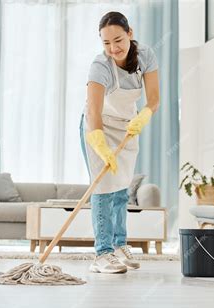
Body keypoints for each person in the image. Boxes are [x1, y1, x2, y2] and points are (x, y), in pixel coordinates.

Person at [79, 11, 160, 274]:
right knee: (103, 189)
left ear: (130, 34)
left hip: (127, 127)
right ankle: (101, 254)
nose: (113, 48)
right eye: (106, 43)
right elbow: (93, 112)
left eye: (118, 40)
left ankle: (119, 245)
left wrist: (145, 115)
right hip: (98, 128)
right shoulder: (100, 66)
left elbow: (154, 98)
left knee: (121, 187)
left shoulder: (145, 55)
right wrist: (100, 144)